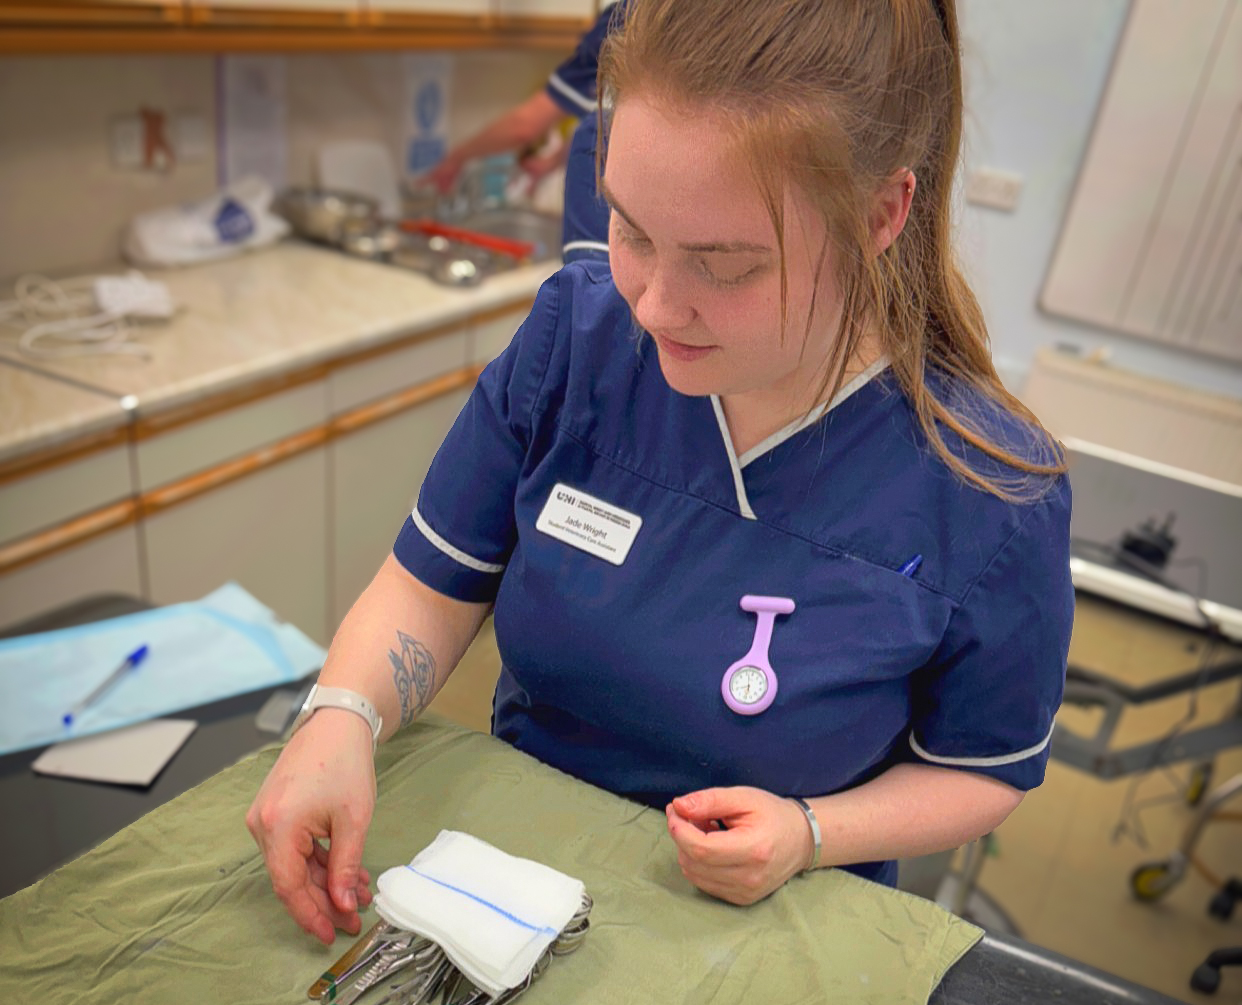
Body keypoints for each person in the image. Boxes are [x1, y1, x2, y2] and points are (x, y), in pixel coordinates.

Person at [248, 0, 1074, 945]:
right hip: (504, 891)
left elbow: (983, 769)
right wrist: (342, 717)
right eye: (631, 230)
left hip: (764, 931)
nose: (652, 305)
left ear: (882, 213)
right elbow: (430, 585)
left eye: (725, 267)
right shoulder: (576, 337)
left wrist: (811, 832)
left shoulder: (991, 491)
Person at [423, 3, 626, 262]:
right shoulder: (669, 15)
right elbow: (611, 117)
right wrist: (551, 162)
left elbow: (525, 126)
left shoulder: (622, 18)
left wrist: (456, 158)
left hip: (601, 234)